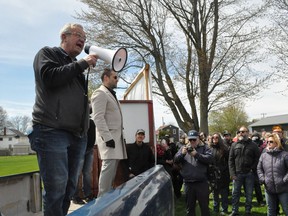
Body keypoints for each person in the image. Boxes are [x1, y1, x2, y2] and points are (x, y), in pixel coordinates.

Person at [28, 23, 98, 216]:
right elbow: (50, 77)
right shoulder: (48, 54)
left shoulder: (75, 70)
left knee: (68, 189)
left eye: (85, 36)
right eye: (78, 35)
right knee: (56, 189)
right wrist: (83, 63)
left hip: (76, 135)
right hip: (51, 130)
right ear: (64, 37)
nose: (83, 39)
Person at [91, 68, 127, 197]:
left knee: (112, 170)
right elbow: (98, 117)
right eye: (115, 77)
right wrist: (107, 138)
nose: (117, 80)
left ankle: (106, 200)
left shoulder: (110, 93)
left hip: (116, 139)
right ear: (106, 78)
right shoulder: (99, 93)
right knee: (108, 168)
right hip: (109, 139)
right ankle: (101, 201)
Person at [174, 130, 213, 216]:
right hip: (188, 183)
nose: (192, 142)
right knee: (189, 208)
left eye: (194, 140)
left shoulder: (205, 147)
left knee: (204, 208)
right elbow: (175, 160)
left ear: (198, 139)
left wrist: (196, 154)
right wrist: (182, 154)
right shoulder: (183, 148)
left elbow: (210, 159)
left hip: (201, 183)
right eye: (190, 140)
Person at [228, 126, 260, 216]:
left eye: (243, 132)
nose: (240, 133)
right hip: (237, 174)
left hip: (249, 174)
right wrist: (232, 173)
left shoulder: (253, 145)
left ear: (248, 133)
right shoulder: (234, 145)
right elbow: (230, 160)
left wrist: (252, 168)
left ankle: (248, 211)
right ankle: (235, 211)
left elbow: (257, 158)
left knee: (249, 194)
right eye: (239, 132)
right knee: (235, 193)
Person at [257, 133, 288, 216]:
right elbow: (259, 169)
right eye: (267, 142)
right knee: (270, 210)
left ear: (277, 143)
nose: (268, 143)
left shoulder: (284, 155)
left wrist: (284, 180)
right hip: (269, 188)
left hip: (283, 188)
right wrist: (263, 179)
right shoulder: (263, 156)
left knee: (286, 208)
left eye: (271, 141)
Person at [72, 113, 96, 204]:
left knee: (87, 173)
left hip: (89, 150)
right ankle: (75, 196)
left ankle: (88, 194)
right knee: (77, 174)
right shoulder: (77, 122)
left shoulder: (92, 123)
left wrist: (90, 148)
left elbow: (93, 137)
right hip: (79, 151)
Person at [209, 132, 230, 215]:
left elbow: (229, 161)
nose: (215, 139)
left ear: (219, 138)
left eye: (217, 137)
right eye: (213, 137)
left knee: (224, 192)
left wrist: (224, 169)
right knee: (215, 193)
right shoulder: (209, 149)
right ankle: (215, 208)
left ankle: (224, 209)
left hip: (223, 173)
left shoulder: (225, 149)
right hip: (213, 174)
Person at [250, 132, 265, 206]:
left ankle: (260, 200)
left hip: (256, 167)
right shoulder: (250, 143)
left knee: (256, 185)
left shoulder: (261, 144)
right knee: (251, 186)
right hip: (250, 167)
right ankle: (253, 201)